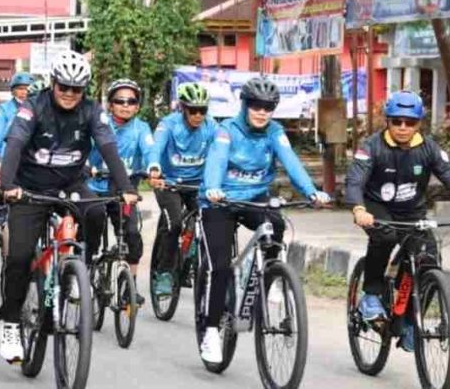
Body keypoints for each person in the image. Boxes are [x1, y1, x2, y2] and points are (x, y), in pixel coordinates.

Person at [0, 51, 137, 362]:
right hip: (29, 187)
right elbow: (15, 144)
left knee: (97, 210)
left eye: (77, 89)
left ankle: (80, 270)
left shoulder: (92, 111)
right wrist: (7, 185)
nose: (70, 94)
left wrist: (126, 188)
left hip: (69, 184)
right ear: (53, 83)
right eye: (64, 87)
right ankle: (10, 323)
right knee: (19, 257)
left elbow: (108, 147)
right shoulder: (33, 108)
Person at [345, 90, 450, 353]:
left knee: (429, 259)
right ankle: (371, 295)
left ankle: (412, 322)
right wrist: (358, 208)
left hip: (413, 212)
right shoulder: (371, 147)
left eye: (409, 122)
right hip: (377, 208)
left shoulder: (428, 148)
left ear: (418, 123)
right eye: (397, 121)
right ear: (387, 121)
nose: (403, 127)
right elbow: (354, 181)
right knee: (385, 235)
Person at [200, 76, 330, 362]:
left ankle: (270, 279)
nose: (262, 112)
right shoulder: (226, 131)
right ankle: (210, 331)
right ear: (245, 105)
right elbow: (217, 161)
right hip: (219, 200)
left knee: (277, 225)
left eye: (268, 107)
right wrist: (212, 187)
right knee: (220, 267)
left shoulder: (275, 131)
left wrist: (311, 191)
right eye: (256, 106)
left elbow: (291, 161)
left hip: (254, 197)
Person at [147, 82, 218, 297]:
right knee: (174, 224)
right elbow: (156, 148)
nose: (198, 115)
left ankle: (198, 260)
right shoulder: (168, 125)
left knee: (213, 219)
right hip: (168, 183)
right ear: (183, 108)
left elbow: (223, 152)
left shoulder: (212, 126)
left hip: (197, 184)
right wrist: (154, 167)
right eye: (193, 110)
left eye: (202, 110)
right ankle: (164, 272)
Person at [87, 78, 152, 305]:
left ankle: (129, 287)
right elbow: (84, 149)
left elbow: (150, 151)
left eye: (131, 101)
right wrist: (88, 167)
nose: (126, 105)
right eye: (119, 101)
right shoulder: (100, 124)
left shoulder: (141, 129)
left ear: (137, 105)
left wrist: (153, 168)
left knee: (132, 235)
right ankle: (83, 275)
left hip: (124, 191)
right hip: (95, 188)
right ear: (110, 104)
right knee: (88, 231)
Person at [0, 72, 34, 159]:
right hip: (8, 156)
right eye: (20, 89)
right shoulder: (4, 109)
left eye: (27, 89)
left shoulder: (38, 108)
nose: (24, 92)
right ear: (12, 91)